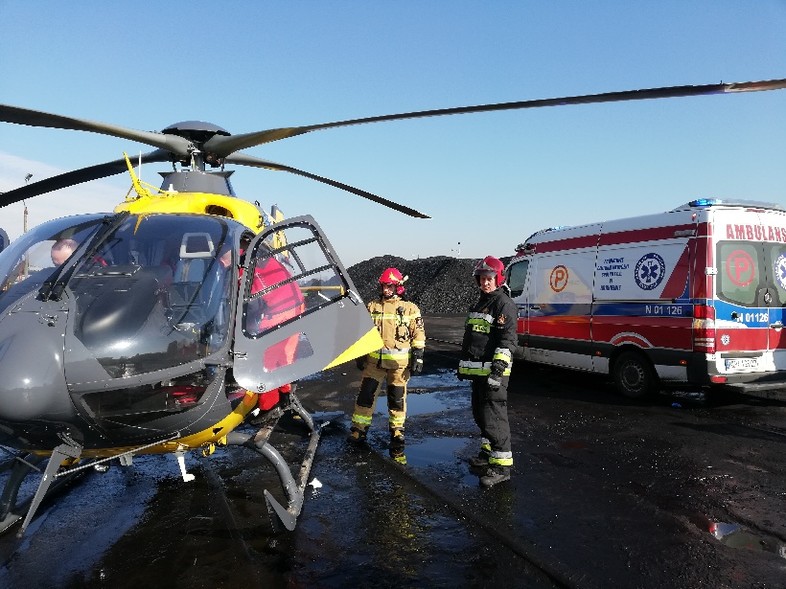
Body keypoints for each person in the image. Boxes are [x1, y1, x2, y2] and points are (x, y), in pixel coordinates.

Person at [348, 267, 426, 464]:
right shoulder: (372, 306)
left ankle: (397, 433)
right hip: (374, 364)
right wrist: (360, 354)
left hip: (399, 367)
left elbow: (418, 334)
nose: (386, 290)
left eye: (390, 286)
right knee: (365, 397)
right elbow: (362, 332)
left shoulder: (410, 308)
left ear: (398, 287)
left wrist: (418, 356)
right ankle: (359, 430)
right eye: (384, 286)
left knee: (396, 400)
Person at [458, 256, 518, 488]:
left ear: (498, 279)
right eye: (482, 279)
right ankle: (487, 455)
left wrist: (498, 370)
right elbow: (472, 339)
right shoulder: (482, 303)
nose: (485, 282)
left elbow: (508, 340)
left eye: (489, 278)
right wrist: (464, 367)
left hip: (494, 374)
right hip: (479, 373)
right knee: (480, 415)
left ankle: (502, 467)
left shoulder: (504, 304)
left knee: (494, 418)